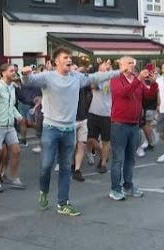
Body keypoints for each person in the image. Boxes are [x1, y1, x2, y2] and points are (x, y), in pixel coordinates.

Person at [22, 47, 120, 215]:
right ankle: (43, 193)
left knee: (66, 167)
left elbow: (96, 77)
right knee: (46, 166)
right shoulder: (48, 77)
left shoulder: (77, 77)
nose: (69, 60)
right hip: (51, 129)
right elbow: (29, 81)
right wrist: (25, 74)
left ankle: (63, 203)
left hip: (69, 129)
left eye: (70, 58)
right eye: (66, 57)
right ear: (56, 61)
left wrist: (119, 71)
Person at [108, 57, 155, 201]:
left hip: (134, 123)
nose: (132, 65)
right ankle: (115, 188)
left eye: (133, 63)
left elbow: (148, 96)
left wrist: (153, 84)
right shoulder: (115, 79)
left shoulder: (136, 79)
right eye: (129, 63)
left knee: (130, 158)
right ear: (121, 65)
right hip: (119, 123)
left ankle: (128, 186)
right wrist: (138, 80)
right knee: (118, 159)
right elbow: (124, 93)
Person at [0, 64, 26, 193]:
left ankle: (13, 177)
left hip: (10, 125)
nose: (14, 73)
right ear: (3, 73)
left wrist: (19, 116)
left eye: (14, 71)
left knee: (16, 150)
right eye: (11, 71)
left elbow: (11, 105)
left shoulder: (12, 87)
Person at [86, 62, 112, 173]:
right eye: (103, 65)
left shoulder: (112, 79)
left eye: (107, 66)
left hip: (106, 114)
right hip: (93, 112)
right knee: (90, 139)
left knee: (106, 140)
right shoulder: (97, 77)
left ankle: (103, 164)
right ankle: (103, 154)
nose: (105, 66)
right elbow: (93, 86)